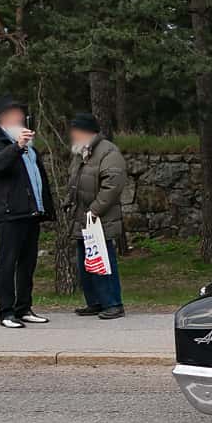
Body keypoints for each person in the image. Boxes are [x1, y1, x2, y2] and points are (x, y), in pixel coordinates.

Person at [0, 96, 55, 328]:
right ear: (1, 118)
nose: (20, 117)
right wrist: (17, 147)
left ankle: (24, 307)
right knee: (7, 262)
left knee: (27, 263)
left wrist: (43, 207)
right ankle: (6, 312)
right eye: (14, 113)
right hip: (8, 212)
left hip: (29, 212)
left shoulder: (27, 144)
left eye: (21, 113)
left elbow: (35, 177)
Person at [66, 113, 128, 319]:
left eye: (75, 130)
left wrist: (95, 209)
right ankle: (95, 301)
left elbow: (112, 184)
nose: (72, 135)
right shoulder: (80, 153)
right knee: (85, 261)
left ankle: (113, 303)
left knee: (103, 259)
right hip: (83, 217)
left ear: (86, 131)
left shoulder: (109, 152)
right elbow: (75, 180)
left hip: (100, 218)